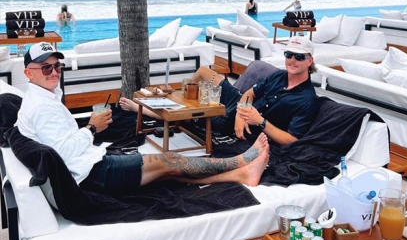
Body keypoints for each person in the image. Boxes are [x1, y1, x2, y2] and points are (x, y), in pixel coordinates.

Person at [16, 42, 270, 194]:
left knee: (166, 171)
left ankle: (240, 175)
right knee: (170, 160)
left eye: (56, 67)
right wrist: (92, 129)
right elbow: (65, 153)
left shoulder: (42, 97)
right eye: (46, 68)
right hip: (91, 173)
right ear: (29, 73)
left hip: (87, 166)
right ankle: (240, 161)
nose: (54, 73)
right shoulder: (42, 107)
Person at [122, 37, 318, 145]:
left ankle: (149, 109)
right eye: (289, 54)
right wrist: (243, 109)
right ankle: (179, 97)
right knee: (203, 72)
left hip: (236, 123)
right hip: (240, 104)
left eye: (299, 57)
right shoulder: (278, 76)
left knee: (192, 112)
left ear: (310, 61)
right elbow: (250, 92)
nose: (292, 60)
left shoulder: (307, 99)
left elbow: (291, 140)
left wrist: (259, 121)